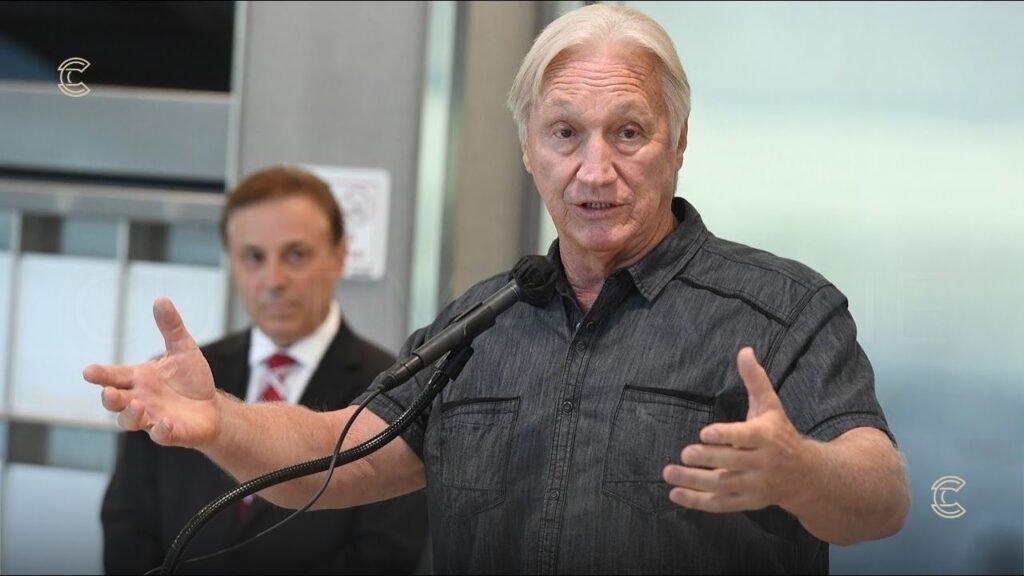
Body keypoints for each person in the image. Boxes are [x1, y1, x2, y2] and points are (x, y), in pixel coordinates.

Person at [86, 5, 910, 574]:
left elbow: (882, 499)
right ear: (527, 148)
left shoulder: (784, 310)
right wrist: (219, 420)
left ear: (679, 142)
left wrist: (799, 472)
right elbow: (338, 455)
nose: (595, 170)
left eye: (628, 132)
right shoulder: (481, 323)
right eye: (565, 133)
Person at [99, 166, 429, 575]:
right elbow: (127, 533)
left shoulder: (397, 390)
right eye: (254, 257)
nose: (273, 280)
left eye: (296, 255)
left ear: (340, 256)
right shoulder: (172, 382)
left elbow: (386, 556)